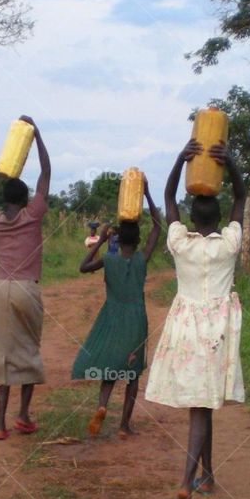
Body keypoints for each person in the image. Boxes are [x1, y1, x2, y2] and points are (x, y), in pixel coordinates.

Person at [144, 139, 246, 499]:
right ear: (219, 220)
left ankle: (198, 479)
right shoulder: (230, 244)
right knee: (203, 405)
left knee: (203, 404)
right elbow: (241, 195)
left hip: (186, 326)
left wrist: (179, 160)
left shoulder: (179, 243)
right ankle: (194, 480)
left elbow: (170, 197)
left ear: (191, 217)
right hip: (218, 328)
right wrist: (230, 163)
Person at [0, 115, 51, 440]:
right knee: (28, 353)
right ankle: (23, 416)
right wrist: (37, 135)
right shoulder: (32, 215)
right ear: (24, 200)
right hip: (25, 289)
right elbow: (46, 172)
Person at [72, 179, 162, 439]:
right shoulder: (142, 258)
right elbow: (157, 226)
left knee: (111, 370)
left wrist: (100, 240)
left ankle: (102, 405)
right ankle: (124, 425)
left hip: (111, 316)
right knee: (132, 373)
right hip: (136, 318)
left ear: (117, 238)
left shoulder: (109, 259)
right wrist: (146, 192)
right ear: (139, 240)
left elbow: (83, 267)